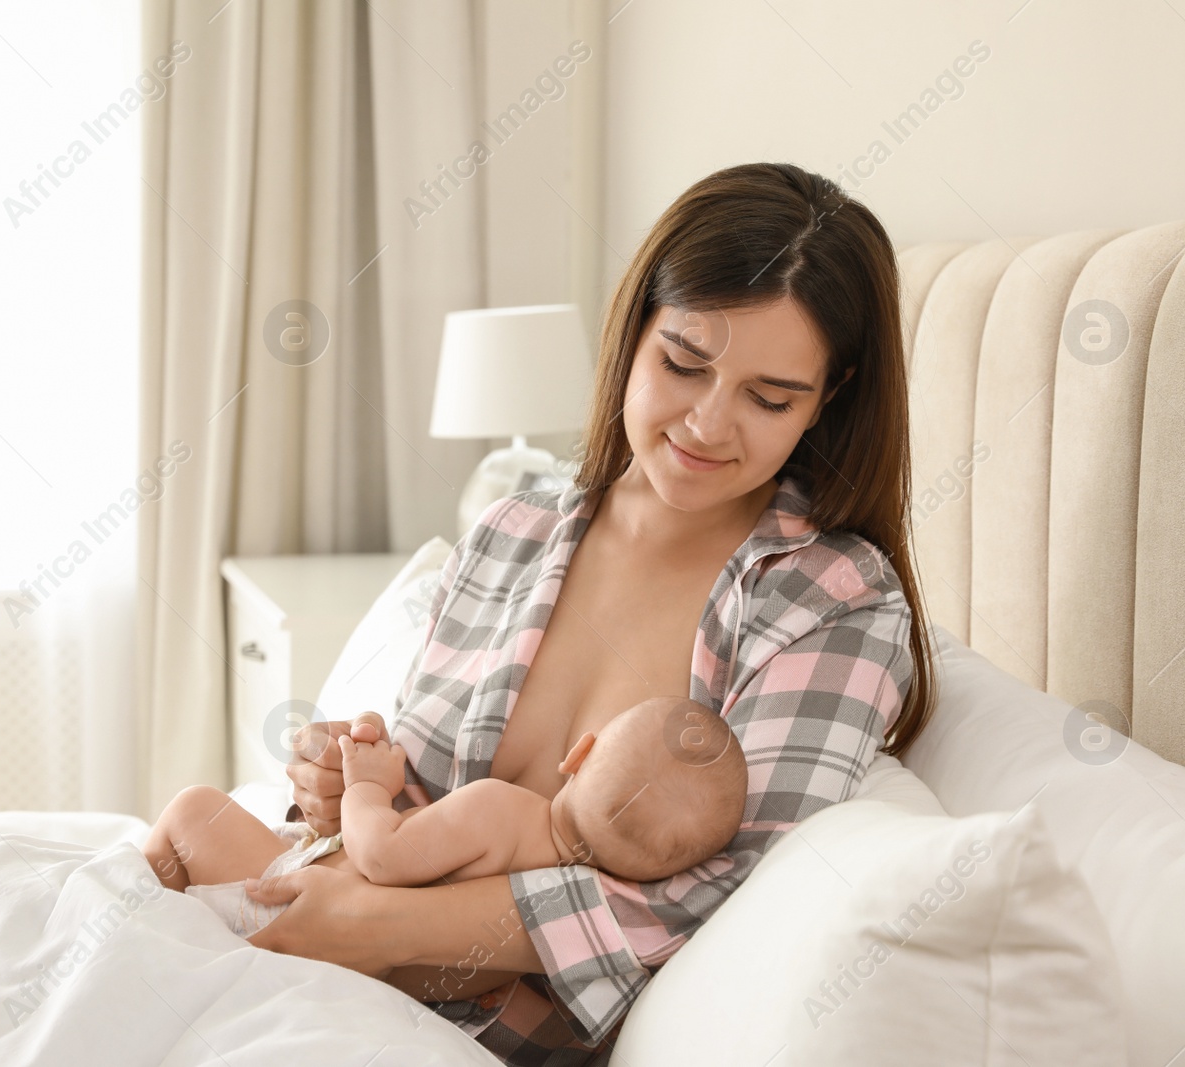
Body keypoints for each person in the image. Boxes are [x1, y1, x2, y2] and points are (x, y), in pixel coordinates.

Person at [240, 161, 938, 1065]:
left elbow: (716, 888)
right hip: (309, 972)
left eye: (771, 397)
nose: (707, 425)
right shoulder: (511, 531)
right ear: (635, 328)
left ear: (831, 396)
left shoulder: (830, 601)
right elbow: (411, 797)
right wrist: (340, 788)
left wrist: (383, 923)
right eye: (683, 363)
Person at [143, 695, 747, 1003]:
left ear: (578, 755)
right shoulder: (551, 885)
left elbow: (382, 855)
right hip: (369, 980)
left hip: (290, 905)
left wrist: (366, 787)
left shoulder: (502, 808)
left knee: (192, 809)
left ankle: (144, 912)